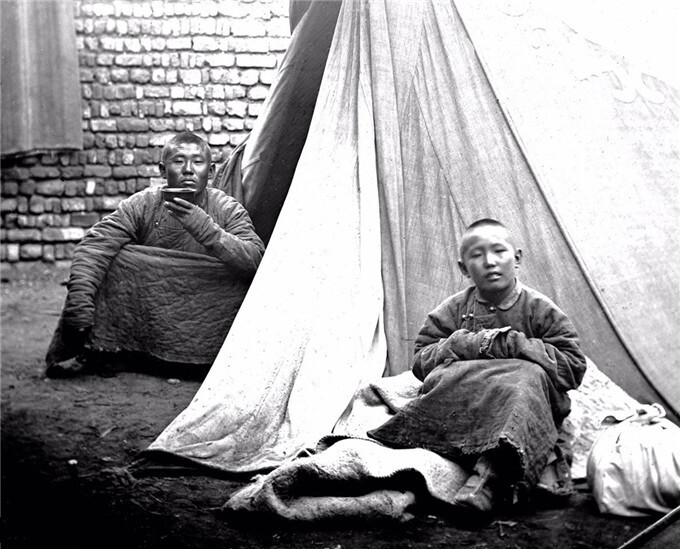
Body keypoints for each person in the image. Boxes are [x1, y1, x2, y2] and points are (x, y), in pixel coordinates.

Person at [368, 218, 587, 516]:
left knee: (527, 376)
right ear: (463, 268)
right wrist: (464, 344)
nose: (490, 262)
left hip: (522, 403)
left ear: (517, 258)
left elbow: (573, 367)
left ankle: (491, 478)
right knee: (445, 375)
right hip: (471, 405)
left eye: (499, 251)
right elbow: (421, 361)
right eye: (477, 255)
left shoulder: (539, 309)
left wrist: (516, 345)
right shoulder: (453, 309)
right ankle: (481, 459)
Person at [46, 132, 265, 377]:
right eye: (178, 161)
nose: (188, 170)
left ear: (211, 171)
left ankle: (208, 362)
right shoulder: (144, 204)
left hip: (206, 316)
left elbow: (255, 259)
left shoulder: (227, 208)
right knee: (118, 258)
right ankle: (100, 351)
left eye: (197, 162)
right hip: (154, 316)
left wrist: (206, 229)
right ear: (162, 170)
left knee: (240, 276)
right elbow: (96, 244)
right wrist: (80, 301)